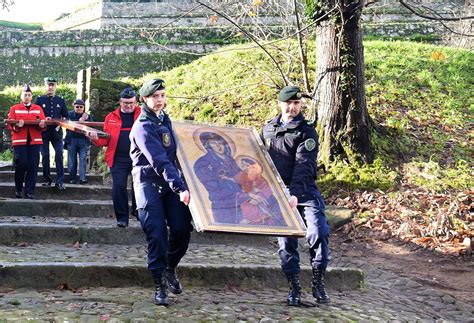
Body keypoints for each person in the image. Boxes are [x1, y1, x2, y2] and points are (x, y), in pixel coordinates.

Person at [261, 85, 331, 306]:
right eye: (288, 103)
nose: (292, 108)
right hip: (280, 193)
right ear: (279, 103)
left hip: (304, 191)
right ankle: (294, 287)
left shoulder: (306, 131)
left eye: (296, 103)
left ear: (301, 104)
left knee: (318, 232)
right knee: (287, 242)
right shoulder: (267, 129)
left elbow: (304, 165)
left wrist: (294, 193)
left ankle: (318, 281)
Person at [129, 78, 193, 306]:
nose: (160, 101)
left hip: (169, 183)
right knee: (156, 234)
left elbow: (180, 153)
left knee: (182, 229)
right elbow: (159, 161)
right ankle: (159, 285)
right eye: (155, 97)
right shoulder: (142, 126)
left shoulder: (166, 120)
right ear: (145, 100)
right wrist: (180, 187)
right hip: (148, 184)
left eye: (163, 96)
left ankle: (170, 266)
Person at [86, 88, 140, 227]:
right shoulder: (111, 117)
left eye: (132, 103)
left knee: (139, 185)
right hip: (117, 158)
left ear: (136, 102)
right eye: (126, 103)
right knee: (119, 186)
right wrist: (94, 139)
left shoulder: (142, 114)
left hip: (139, 157)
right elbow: (105, 141)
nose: (129, 106)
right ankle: (122, 218)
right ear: (120, 102)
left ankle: (138, 211)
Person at [193, 131, 242, 224]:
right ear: (208, 145)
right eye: (214, 143)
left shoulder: (231, 160)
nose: (218, 146)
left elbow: (241, 179)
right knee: (226, 230)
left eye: (220, 143)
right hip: (222, 204)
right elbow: (211, 184)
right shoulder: (203, 162)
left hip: (239, 202)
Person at [7, 84, 46, 199]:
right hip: (20, 142)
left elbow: (42, 126)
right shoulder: (14, 108)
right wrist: (18, 126)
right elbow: (10, 125)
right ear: (21, 96)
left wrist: (42, 125)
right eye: (25, 95)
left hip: (35, 141)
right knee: (21, 164)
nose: (27, 97)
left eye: (29, 95)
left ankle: (29, 191)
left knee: (33, 166)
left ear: (31, 96)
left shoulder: (38, 109)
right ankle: (18, 189)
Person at [35, 77, 69, 190]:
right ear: (45, 86)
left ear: (55, 86)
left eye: (52, 85)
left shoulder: (60, 100)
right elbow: (34, 115)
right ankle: (47, 179)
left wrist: (60, 123)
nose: (50, 87)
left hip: (56, 132)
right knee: (45, 155)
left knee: (59, 154)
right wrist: (43, 118)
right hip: (43, 132)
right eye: (48, 85)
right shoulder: (39, 100)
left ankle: (60, 181)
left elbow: (66, 116)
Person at [234, 156, 285, 226]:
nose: (245, 167)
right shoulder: (238, 176)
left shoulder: (259, 177)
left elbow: (267, 189)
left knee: (268, 206)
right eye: (242, 165)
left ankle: (265, 219)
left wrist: (259, 196)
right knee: (248, 207)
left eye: (247, 165)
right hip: (246, 200)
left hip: (260, 200)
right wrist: (249, 196)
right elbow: (237, 191)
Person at [64, 99, 93, 184]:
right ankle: (72, 178)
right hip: (71, 139)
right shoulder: (69, 114)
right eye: (77, 106)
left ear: (84, 108)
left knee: (83, 159)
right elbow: (66, 123)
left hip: (83, 140)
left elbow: (92, 127)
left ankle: (82, 178)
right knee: (72, 161)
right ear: (74, 106)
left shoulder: (88, 116)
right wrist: (80, 121)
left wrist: (85, 120)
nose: (79, 108)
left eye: (81, 107)